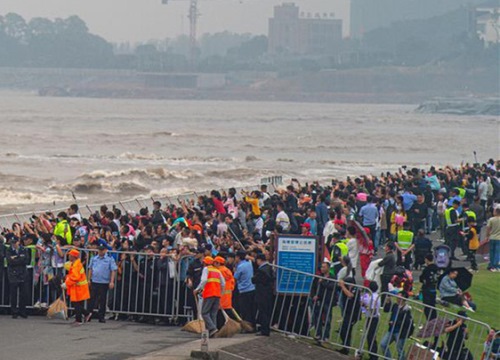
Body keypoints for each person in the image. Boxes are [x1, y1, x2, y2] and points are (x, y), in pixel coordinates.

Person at [86, 244, 118, 323]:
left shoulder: (109, 259)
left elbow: (113, 270)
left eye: (102, 250)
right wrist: (89, 279)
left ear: (105, 250)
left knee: (102, 300)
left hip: (104, 282)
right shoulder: (94, 258)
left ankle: (101, 316)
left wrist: (111, 281)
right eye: (99, 250)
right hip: (95, 281)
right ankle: (89, 315)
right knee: (92, 299)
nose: (100, 251)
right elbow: (90, 269)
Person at [194, 256, 225, 338]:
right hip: (217, 294)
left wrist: (197, 289)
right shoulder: (217, 271)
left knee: (204, 312)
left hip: (209, 293)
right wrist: (220, 293)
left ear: (205, 263)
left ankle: (212, 328)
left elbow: (204, 280)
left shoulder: (206, 269)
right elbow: (223, 283)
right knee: (213, 314)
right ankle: (213, 333)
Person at [380, 294, 414, 360]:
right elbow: (386, 310)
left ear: (404, 299)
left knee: (400, 351)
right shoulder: (395, 305)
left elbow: (406, 322)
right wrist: (388, 302)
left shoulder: (406, 309)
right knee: (383, 344)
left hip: (400, 332)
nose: (397, 299)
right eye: (397, 297)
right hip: (391, 330)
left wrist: (394, 323)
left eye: (399, 298)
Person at [62, 249, 90, 325]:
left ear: (73, 256)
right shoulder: (76, 264)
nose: (68, 256)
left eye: (70, 255)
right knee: (77, 304)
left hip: (78, 287)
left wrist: (67, 283)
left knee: (76, 303)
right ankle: (84, 315)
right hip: (78, 287)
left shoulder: (75, 265)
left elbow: (75, 277)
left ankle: (79, 319)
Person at [310, 262, 336, 342]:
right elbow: (313, 287)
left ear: (328, 268)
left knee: (327, 319)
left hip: (328, 300)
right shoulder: (318, 277)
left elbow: (332, 287)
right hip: (319, 300)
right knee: (318, 318)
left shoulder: (332, 277)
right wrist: (314, 295)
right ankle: (318, 334)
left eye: (324, 267)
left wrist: (323, 282)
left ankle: (326, 336)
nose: (322, 269)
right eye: (321, 267)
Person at [337, 277, 361, 355]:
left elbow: (350, 295)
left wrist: (343, 286)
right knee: (344, 330)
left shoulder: (355, 290)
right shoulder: (346, 288)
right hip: (347, 313)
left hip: (353, 314)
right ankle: (346, 346)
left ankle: (346, 347)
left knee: (345, 330)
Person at [6, 236, 29, 319]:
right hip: (13, 274)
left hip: (22, 273)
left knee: (23, 293)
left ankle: (22, 311)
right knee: (13, 293)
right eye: (12, 242)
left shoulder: (23, 249)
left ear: (18, 242)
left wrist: (16, 258)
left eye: (15, 242)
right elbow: (10, 261)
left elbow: (26, 260)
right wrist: (19, 259)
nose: (13, 244)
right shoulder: (9, 250)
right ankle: (14, 311)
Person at [252, 253, 274, 337]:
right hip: (268, 294)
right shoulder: (269, 268)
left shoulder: (262, 270)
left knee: (263, 312)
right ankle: (265, 329)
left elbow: (254, 280)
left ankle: (264, 330)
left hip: (262, 294)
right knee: (266, 312)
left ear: (259, 260)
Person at [234, 250, 256, 326]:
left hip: (244, 290)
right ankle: (252, 326)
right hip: (252, 289)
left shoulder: (240, 266)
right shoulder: (249, 264)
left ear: (238, 257)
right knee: (251, 309)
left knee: (245, 311)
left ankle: (247, 327)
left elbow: (235, 277)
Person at [361, 281, 381, 360]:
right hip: (372, 318)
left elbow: (373, 310)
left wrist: (365, 306)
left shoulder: (373, 297)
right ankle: (372, 354)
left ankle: (373, 356)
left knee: (371, 337)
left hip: (373, 318)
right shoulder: (375, 295)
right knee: (370, 336)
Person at [419, 254, 439, 320]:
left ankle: (429, 320)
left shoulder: (427, 269)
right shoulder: (436, 268)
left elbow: (421, 278)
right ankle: (434, 319)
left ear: (427, 260)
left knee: (427, 307)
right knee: (432, 305)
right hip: (433, 289)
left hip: (427, 289)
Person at [485, 207, 500, 272]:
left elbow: (488, 228)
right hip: (499, 238)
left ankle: (491, 265)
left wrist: (487, 236)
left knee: (491, 252)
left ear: (496, 212)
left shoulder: (491, 219)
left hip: (492, 237)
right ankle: (496, 266)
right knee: (497, 252)